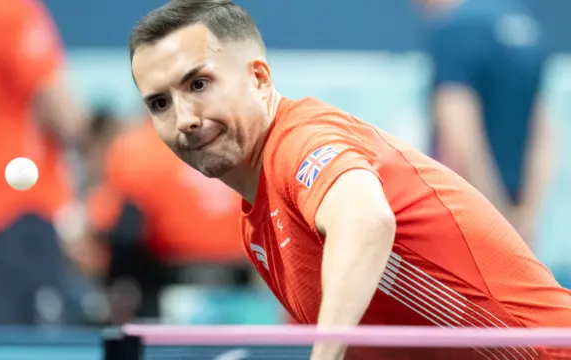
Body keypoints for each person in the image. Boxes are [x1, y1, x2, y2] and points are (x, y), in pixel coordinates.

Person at [128, 0, 571, 359]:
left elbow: (366, 220)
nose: (184, 118)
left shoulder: (301, 140)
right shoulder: (255, 226)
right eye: (160, 104)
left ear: (259, 78)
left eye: (200, 84)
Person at [0, 0, 89, 325]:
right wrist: (99, 144)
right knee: (37, 342)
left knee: (3, 335)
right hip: (23, 207)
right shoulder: (8, 8)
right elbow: (58, 108)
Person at [420, 0, 553, 245]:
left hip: (468, 213)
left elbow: (459, 136)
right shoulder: (523, 23)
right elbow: (543, 133)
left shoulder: (454, 29)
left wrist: (497, 217)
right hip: (516, 214)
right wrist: (528, 215)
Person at [85, 119, 245, 323]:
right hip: (242, 290)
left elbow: (121, 233)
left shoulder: (136, 147)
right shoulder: (241, 140)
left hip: (164, 292)